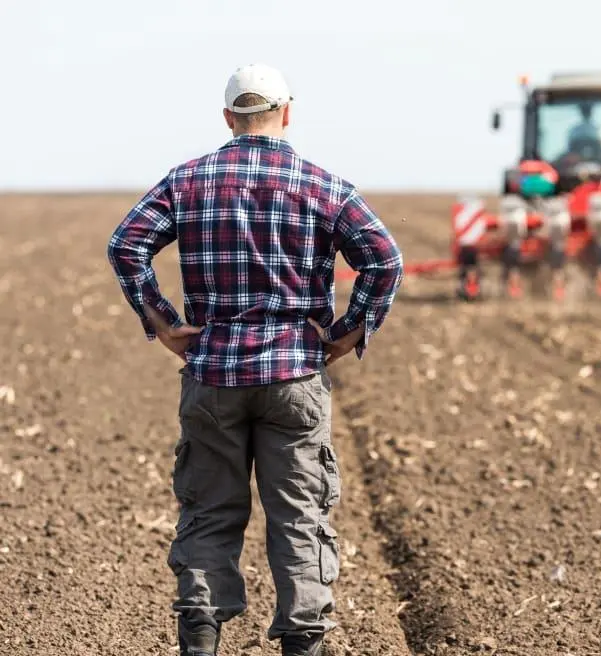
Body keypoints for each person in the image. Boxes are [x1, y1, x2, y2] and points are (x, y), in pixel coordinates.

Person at [106, 63, 404, 656]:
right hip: (295, 374)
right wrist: (347, 332)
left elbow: (126, 244)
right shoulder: (323, 184)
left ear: (228, 119)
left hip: (213, 376)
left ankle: (199, 641)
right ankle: (303, 644)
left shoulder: (188, 181)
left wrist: (162, 321)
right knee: (299, 516)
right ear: (287, 113)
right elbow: (384, 260)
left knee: (209, 512)